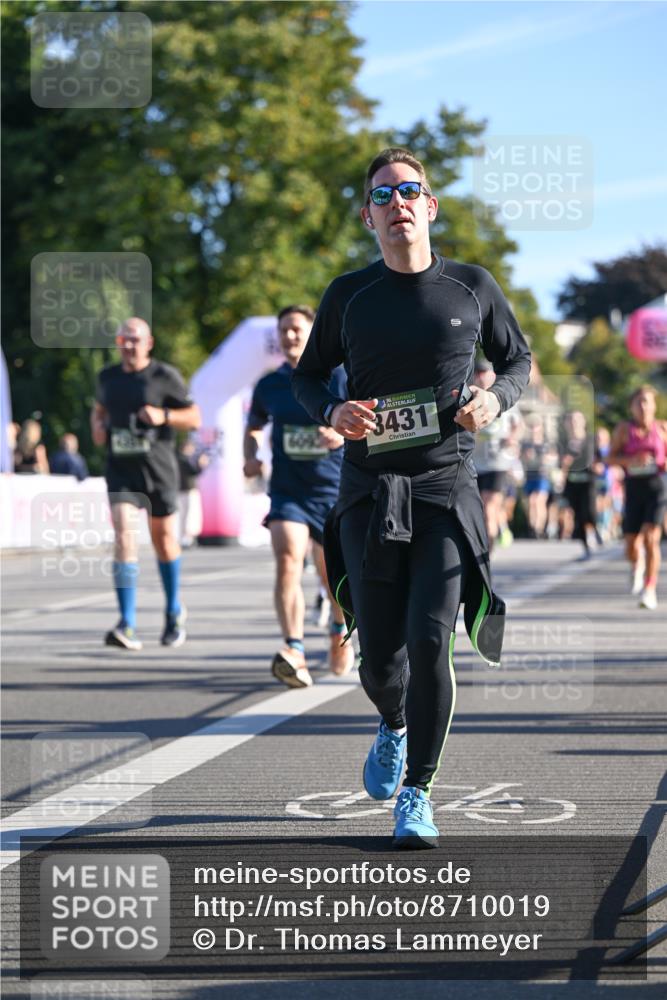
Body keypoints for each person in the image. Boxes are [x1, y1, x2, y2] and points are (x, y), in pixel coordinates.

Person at [292, 148, 531, 848]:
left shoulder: (470, 287)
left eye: (410, 190)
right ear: (368, 216)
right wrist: (332, 413)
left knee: (432, 641)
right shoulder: (348, 295)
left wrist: (495, 398)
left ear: (429, 207)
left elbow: (515, 361)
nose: (398, 202)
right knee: (379, 661)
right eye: (383, 194)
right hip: (369, 491)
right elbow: (310, 378)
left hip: (444, 487)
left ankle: (417, 794)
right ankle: (391, 723)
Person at [244, 304, 355, 688]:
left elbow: (367, 421)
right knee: (288, 559)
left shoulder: (339, 377)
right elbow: (255, 425)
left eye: (296, 329)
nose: (289, 336)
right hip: (289, 493)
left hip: (333, 491)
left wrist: (342, 433)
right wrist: (251, 455)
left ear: (312, 334)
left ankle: (340, 628)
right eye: (284, 330)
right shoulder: (270, 384)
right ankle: (294, 650)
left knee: (331, 575)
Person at [91, 317, 201, 650]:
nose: (128, 345)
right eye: (124, 339)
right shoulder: (107, 378)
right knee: (124, 535)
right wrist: (97, 423)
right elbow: (99, 409)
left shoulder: (164, 376)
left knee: (164, 541)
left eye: (135, 339)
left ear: (148, 343)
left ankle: (173, 610)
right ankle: (127, 623)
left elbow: (194, 417)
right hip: (121, 470)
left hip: (158, 470)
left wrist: (164, 416)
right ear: (117, 342)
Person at [609, 385, 667, 610]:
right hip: (633, 489)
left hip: (657, 488)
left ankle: (650, 589)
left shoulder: (662, 428)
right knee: (631, 545)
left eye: (647, 402)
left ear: (654, 405)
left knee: (652, 539)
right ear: (632, 407)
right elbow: (611, 458)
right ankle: (637, 564)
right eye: (639, 402)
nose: (643, 406)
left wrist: (660, 462)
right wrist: (630, 461)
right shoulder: (624, 429)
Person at [471, 358, 522, 550]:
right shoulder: (469, 398)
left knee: (490, 508)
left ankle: (488, 550)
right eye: (478, 373)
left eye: (484, 372)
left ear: (492, 375)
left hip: (498, 463)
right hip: (476, 464)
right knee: (482, 508)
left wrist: (512, 438)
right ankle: (490, 540)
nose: (481, 377)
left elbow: (518, 424)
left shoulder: (501, 397)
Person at [561, 410, 600, 559]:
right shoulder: (564, 443)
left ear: (583, 422)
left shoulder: (590, 440)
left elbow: (599, 458)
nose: (573, 423)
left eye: (577, 419)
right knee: (578, 515)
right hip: (572, 483)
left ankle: (596, 530)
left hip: (588, 482)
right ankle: (586, 547)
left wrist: (598, 466)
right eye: (570, 420)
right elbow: (560, 463)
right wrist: (563, 465)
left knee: (589, 511)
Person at [177, 440, 209, 547]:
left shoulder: (177, 459)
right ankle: (186, 538)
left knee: (183, 515)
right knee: (189, 515)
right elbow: (194, 471)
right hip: (188, 490)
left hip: (181, 490)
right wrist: (201, 465)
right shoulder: (184, 459)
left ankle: (183, 537)